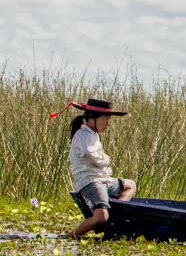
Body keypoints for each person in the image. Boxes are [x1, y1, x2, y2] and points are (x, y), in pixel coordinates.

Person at [57, 98, 138, 238]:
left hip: (102, 180)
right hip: (90, 182)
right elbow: (89, 153)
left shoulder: (93, 135)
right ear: (92, 118)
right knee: (101, 216)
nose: (107, 123)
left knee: (130, 185)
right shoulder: (82, 134)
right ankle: (69, 237)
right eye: (104, 119)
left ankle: (114, 218)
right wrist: (104, 159)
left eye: (108, 119)